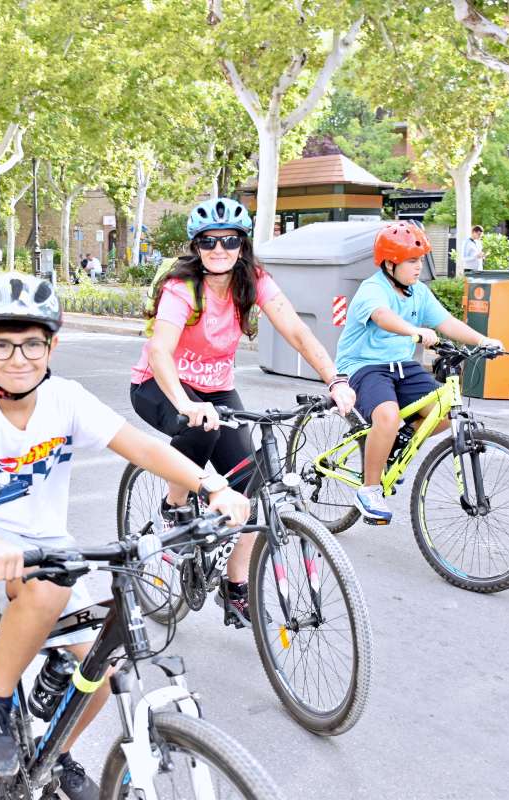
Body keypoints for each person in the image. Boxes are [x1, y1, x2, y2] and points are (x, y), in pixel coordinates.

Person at [0, 272, 249, 790]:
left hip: (49, 551)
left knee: (98, 670)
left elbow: (144, 449)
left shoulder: (67, 399)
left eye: (32, 343)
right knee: (44, 592)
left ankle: (54, 755)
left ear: (51, 345)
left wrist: (211, 486)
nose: (18, 358)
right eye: (3, 345)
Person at [130, 197, 356, 627]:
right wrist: (184, 403)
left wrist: (335, 380)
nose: (219, 249)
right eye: (209, 241)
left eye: (229, 241)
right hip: (159, 386)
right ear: (196, 246)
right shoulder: (183, 288)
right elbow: (160, 351)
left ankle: (235, 589)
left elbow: (296, 329)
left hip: (216, 390)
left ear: (242, 244)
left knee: (250, 486)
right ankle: (174, 507)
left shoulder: (253, 280)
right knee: (202, 430)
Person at [334, 221, 502, 525]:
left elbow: (446, 322)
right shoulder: (373, 289)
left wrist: (483, 340)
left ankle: (400, 438)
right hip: (364, 365)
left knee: (447, 411)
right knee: (386, 415)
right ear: (389, 264)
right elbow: (382, 316)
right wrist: (414, 330)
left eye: (420, 259)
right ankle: (369, 490)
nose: (418, 266)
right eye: (412, 261)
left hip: (402, 365)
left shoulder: (418, 292)